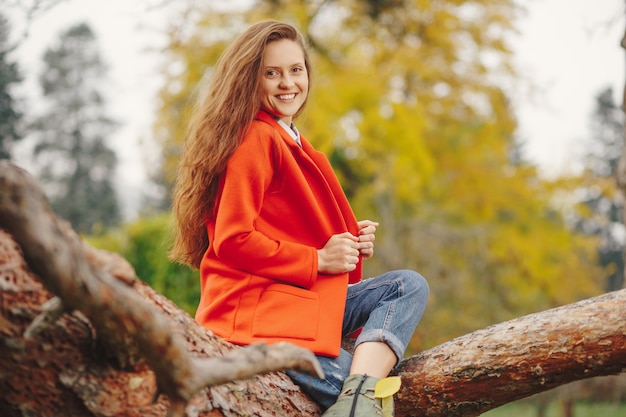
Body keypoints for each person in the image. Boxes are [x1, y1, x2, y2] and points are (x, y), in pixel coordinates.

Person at [170, 20, 429, 417]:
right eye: (271, 73)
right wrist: (319, 260)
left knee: (406, 286)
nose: (287, 82)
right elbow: (234, 239)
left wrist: (345, 241)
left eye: (295, 69)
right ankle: (360, 395)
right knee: (390, 401)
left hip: (297, 302)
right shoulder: (255, 139)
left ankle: (359, 395)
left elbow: (282, 224)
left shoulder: (287, 136)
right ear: (249, 80)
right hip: (258, 319)